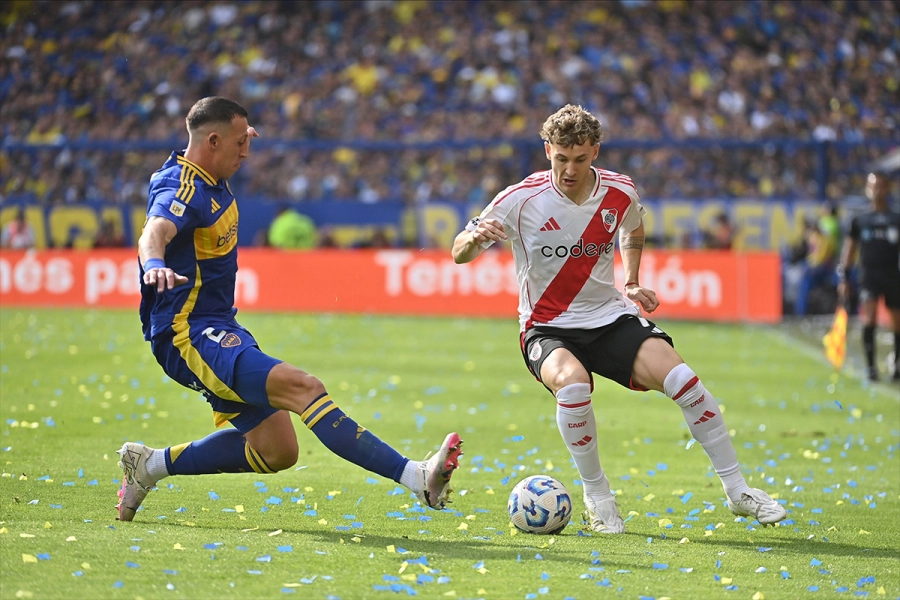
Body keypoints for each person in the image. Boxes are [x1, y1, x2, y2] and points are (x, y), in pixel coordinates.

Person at [118, 97, 462, 522]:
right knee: (304, 388)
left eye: (249, 139)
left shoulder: (208, 173)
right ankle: (417, 477)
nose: (246, 151)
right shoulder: (182, 187)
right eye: (240, 143)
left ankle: (148, 465)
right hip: (187, 334)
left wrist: (238, 133)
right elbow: (155, 231)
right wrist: (153, 263)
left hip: (219, 326)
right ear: (212, 140)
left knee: (278, 451)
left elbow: (205, 165)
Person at [451, 104, 786, 533]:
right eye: (561, 158)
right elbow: (459, 252)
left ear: (595, 151)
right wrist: (475, 238)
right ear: (547, 149)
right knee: (572, 386)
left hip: (608, 317)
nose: (569, 169)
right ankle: (598, 498)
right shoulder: (520, 199)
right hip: (547, 325)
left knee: (685, 381)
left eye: (580, 159)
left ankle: (738, 492)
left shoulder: (620, 192)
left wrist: (630, 280)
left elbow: (634, 229)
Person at [836, 171, 900, 382]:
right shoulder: (860, 220)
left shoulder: (896, 218)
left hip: (893, 274)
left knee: (896, 321)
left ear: (887, 189)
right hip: (869, 275)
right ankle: (871, 367)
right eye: (874, 186)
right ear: (867, 189)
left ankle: (897, 365)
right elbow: (849, 249)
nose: (877, 190)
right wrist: (844, 277)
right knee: (869, 316)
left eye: (881, 186)